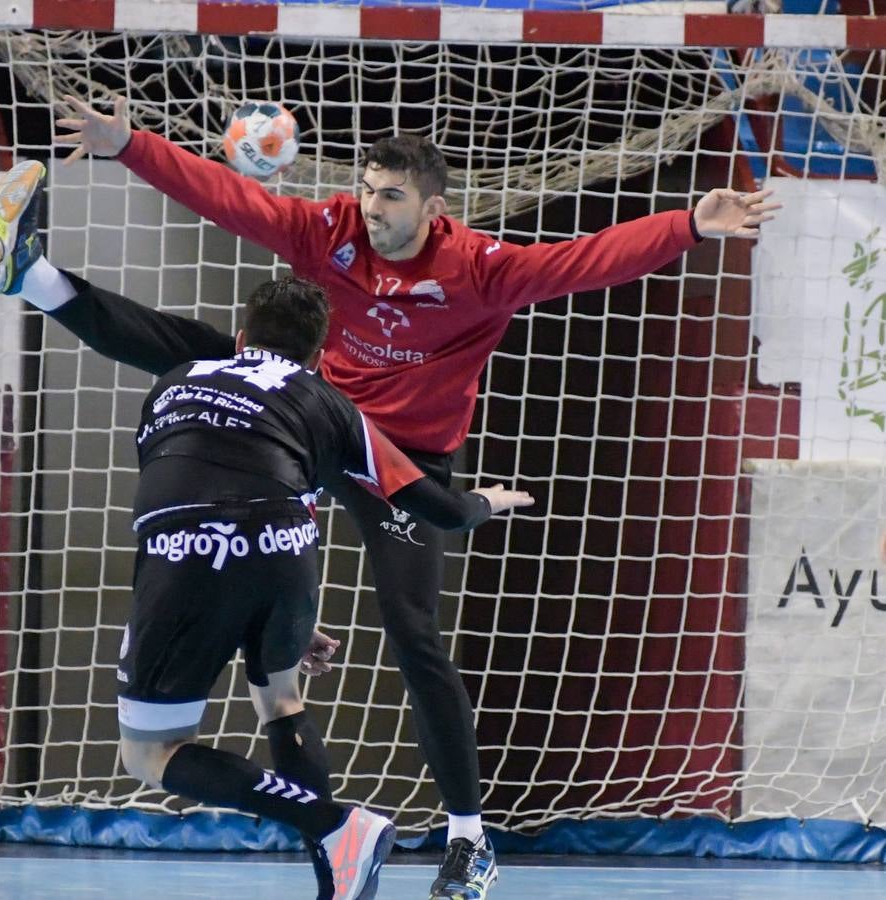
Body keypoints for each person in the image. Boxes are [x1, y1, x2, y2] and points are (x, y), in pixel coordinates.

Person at [47, 96, 778, 900]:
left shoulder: (482, 270)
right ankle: (330, 840)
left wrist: (688, 226)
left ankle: (469, 841)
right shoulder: (329, 234)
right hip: (317, 433)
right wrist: (130, 146)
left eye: (390, 196)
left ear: (434, 209)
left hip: (404, 459)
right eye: (366, 189)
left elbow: (587, 257)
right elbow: (234, 199)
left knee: (412, 631)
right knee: (209, 359)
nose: (372, 207)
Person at [0, 160, 535, 900]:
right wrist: (488, 502)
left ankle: (36, 278)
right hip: (288, 549)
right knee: (290, 691)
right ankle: (348, 859)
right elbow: (443, 507)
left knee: (151, 753)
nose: (370, 207)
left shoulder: (193, 369)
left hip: (199, 544)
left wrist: (128, 148)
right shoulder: (331, 405)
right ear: (317, 356)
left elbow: (147, 392)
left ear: (240, 338)